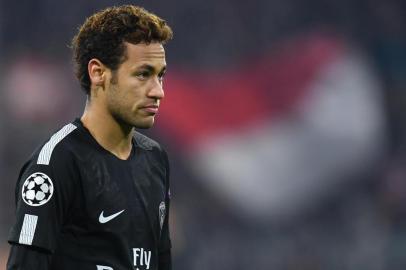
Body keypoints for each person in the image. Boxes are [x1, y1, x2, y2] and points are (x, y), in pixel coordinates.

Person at [6, 5, 173, 270]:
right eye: (143, 74)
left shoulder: (155, 160)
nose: (158, 91)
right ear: (98, 73)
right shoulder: (56, 164)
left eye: (160, 75)